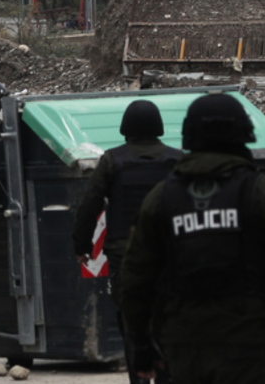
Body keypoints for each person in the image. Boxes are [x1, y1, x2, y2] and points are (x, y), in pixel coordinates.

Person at [121, 92, 265, 384]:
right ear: (244, 134)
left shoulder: (161, 199)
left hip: (181, 353)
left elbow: (135, 283)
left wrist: (142, 350)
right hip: (247, 350)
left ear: (189, 136)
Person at [71, 100, 182, 384]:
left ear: (125, 128)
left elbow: (90, 204)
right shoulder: (176, 159)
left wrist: (82, 246)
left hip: (126, 254)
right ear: (158, 127)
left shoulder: (113, 160)